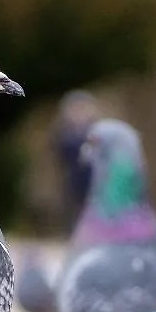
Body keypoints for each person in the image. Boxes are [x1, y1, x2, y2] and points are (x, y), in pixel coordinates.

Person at [51, 90, 100, 228]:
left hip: (93, 177)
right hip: (73, 177)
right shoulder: (64, 132)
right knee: (74, 206)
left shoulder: (95, 131)